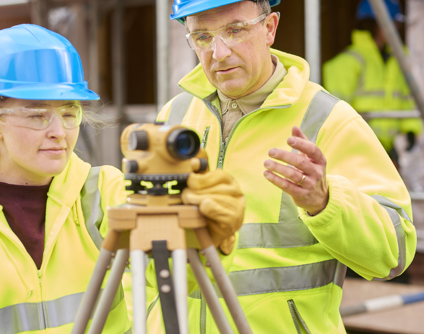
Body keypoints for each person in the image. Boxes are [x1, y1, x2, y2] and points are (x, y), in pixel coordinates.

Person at [0, 24, 244, 333]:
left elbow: (178, 279)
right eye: (37, 116)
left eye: (68, 114)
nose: (59, 132)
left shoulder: (103, 192)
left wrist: (210, 234)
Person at [152, 0, 417, 333]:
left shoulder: (327, 121)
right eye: (202, 36)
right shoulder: (174, 116)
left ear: (270, 28)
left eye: (234, 30)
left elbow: (394, 253)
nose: (218, 53)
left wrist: (326, 202)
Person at [323, 0, 423, 169]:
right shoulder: (347, 63)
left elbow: (406, 97)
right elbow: (335, 112)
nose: (396, 28)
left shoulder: (398, 61)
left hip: (389, 150)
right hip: (357, 149)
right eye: (393, 23)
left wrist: (410, 129)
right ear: (374, 23)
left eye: (397, 24)